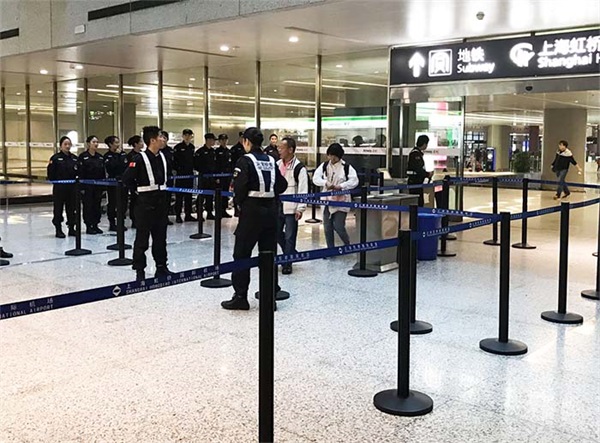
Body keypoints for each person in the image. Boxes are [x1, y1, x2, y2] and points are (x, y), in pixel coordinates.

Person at [221, 127, 287, 311]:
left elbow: (239, 189)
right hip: (271, 213)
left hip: (251, 213)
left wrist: (241, 204)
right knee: (268, 255)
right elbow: (282, 185)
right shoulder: (271, 160)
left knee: (241, 254)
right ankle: (269, 298)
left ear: (247, 142)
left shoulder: (245, 160)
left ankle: (240, 297)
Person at [122, 126, 173, 281]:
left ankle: (161, 267)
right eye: (160, 137)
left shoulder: (163, 157)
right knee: (142, 239)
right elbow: (126, 179)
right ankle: (140, 270)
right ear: (152, 140)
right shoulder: (139, 158)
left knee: (160, 238)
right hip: (145, 204)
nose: (163, 139)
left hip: (161, 203)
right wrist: (137, 192)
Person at [312, 143, 359, 249]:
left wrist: (341, 186)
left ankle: (347, 244)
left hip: (341, 201)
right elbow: (315, 178)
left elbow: (354, 181)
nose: (332, 158)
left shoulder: (346, 167)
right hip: (327, 200)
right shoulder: (324, 166)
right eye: (330, 155)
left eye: (335, 156)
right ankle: (330, 249)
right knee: (327, 227)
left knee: (338, 226)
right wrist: (325, 183)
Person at [276, 137, 308, 274]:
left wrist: (300, 208)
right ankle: (290, 253)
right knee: (276, 233)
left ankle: (287, 263)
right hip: (277, 205)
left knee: (290, 236)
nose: (279, 150)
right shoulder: (277, 164)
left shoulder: (299, 168)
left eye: (281, 148)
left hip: (291, 206)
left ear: (290, 149)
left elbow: (303, 189)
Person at [47, 136, 79, 238]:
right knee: (58, 208)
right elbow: (51, 173)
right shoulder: (55, 158)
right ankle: (58, 229)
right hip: (60, 188)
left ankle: (71, 228)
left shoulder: (74, 158)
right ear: (60, 146)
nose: (67, 146)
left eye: (69, 144)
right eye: (65, 144)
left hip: (72, 188)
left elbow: (78, 172)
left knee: (72, 208)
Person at [78, 135, 106, 234]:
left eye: (97, 142)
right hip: (87, 187)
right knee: (88, 206)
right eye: (93, 142)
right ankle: (88, 225)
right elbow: (80, 173)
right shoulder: (83, 157)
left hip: (98, 186)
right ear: (88, 144)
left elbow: (102, 173)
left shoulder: (100, 157)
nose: (96, 144)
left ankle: (95, 224)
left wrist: (103, 187)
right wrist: (81, 187)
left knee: (97, 206)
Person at [103, 135, 128, 231]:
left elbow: (125, 165)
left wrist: (119, 155)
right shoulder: (107, 156)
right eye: (116, 142)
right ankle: (112, 222)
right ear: (110, 144)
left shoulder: (123, 154)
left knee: (123, 203)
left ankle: (121, 221)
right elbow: (111, 168)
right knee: (112, 203)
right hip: (112, 182)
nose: (118, 144)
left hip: (122, 182)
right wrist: (116, 157)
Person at [172, 129, 196, 223]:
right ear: (183, 136)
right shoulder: (177, 147)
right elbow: (175, 161)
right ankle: (178, 215)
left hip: (190, 174)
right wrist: (177, 170)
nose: (187, 137)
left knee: (189, 196)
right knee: (179, 196)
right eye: (185, 135)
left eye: (189, 135)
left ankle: (188, 214)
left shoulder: (192, 147)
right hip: (180, 175)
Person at [194, 133, 217, 220]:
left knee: (210, 196)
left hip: (211, 177)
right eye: (213, 140)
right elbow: (196, 165)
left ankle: (209, 213)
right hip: (203, 177)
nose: (214, 142)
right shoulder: (200, 152)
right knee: (201, 196)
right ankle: (199, 214)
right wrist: (203, 171)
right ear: (208, 140)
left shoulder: (213, 151)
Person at [406, 135, 432, 206]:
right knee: (417, 203)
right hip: (415, 182)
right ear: (424, 144)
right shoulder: (415, 154)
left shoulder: (417, 153)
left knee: (419, 202)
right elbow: (418, 169)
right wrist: (428, 174)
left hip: (416, 181)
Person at [126, 135, 144, 228]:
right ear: (136, 144)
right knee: (134, 202)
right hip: (134, 183)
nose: (142, 143)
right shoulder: (130, 156)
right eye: (140, 142)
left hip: (142, 182)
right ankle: (134, 219)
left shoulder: (143, 155)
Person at [215, 133, 232, 218]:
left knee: (225, 193)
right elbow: (216, 165)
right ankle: (218, 210)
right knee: (219, 194)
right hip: (219, 176)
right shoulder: (217, 152)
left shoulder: (229, 151)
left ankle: (224, 210)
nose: (224, 141)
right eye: (222, 140)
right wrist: (217, 177)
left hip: (227, 176)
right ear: (219, 141)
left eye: (225, 140)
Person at [159, 130, 175, 226]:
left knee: (167, 198)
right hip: (158, 178)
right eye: (161, 137)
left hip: (168, 177)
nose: (163, 140)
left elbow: (174, 163)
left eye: (164, 138)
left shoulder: (170, 151)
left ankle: (165, 216)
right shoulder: (155, 150)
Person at [229, 132, 246, 217]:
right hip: (237, 173)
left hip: (245, 174)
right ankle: (236, 209)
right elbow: (232, 162)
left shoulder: (247, 148)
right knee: (237, 191)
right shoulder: (235, 149)